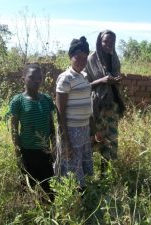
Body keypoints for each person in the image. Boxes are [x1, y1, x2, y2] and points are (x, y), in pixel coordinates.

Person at [9, 64, 55, 198]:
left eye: (39, 78)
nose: (36, 81)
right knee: (28, 189)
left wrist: (54, 149)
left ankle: (49, 213)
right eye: (31, 78)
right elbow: (14, 130)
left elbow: (51, 126)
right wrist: (19, 155)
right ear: (23, 79)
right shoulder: (18, 101)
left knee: (49, 189)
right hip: (27, 152)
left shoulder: (46, 100)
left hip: (45, 152)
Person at [84, 30, 125, 176]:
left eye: (112, 42)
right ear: (99, 42)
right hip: (97, 107)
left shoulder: (114, 59)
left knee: (110, 141)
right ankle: (87, 175)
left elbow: (114, 81)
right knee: (94, 140)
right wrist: (102, 80)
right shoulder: (91, 59)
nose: (108, 45)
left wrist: (116, 80)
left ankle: (104, 176)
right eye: (105, 42)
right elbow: (85, 85)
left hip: (112, 106)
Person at [54, 36, 93, 190]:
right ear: (71, 57)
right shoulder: (65, 78)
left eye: (85, 58)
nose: (82, 61)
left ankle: (81, 195)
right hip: (70, 130)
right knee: (70, 166)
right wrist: (66, 139)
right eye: (78, 57)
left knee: (80, 165)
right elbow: (60, 111)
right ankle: (71, 201)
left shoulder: (84, 76)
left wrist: (91, 128)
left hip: (83, 129)